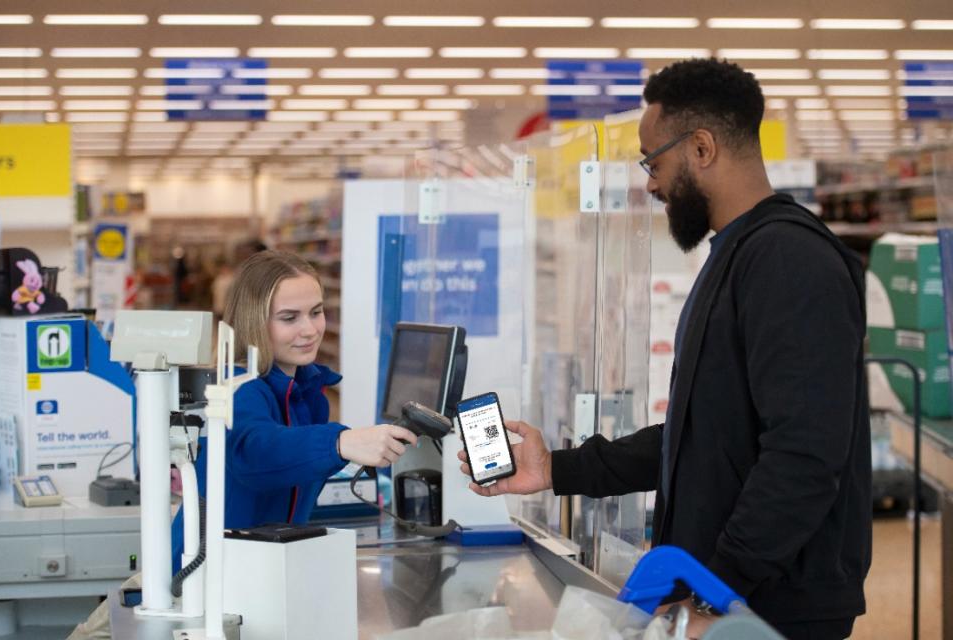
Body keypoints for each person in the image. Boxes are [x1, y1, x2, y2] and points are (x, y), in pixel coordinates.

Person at [459, 58, 871, 640]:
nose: (650, 182)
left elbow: (803, 459)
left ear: (701, 148)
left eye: (654, 160)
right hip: (731, 592)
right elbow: (699, 435)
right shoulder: (734, 254)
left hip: (772, 606)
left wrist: (712, 593)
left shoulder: (788, 261)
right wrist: (558, 468)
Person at [171, 250, 417, 569]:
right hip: (207, 576)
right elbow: (255, 452)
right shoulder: (239, 387)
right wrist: (340, 443)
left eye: (316, 312)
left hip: (259, 568)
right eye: (290, 318)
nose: (311, 330)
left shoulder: (305, 391)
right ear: (254, 321)